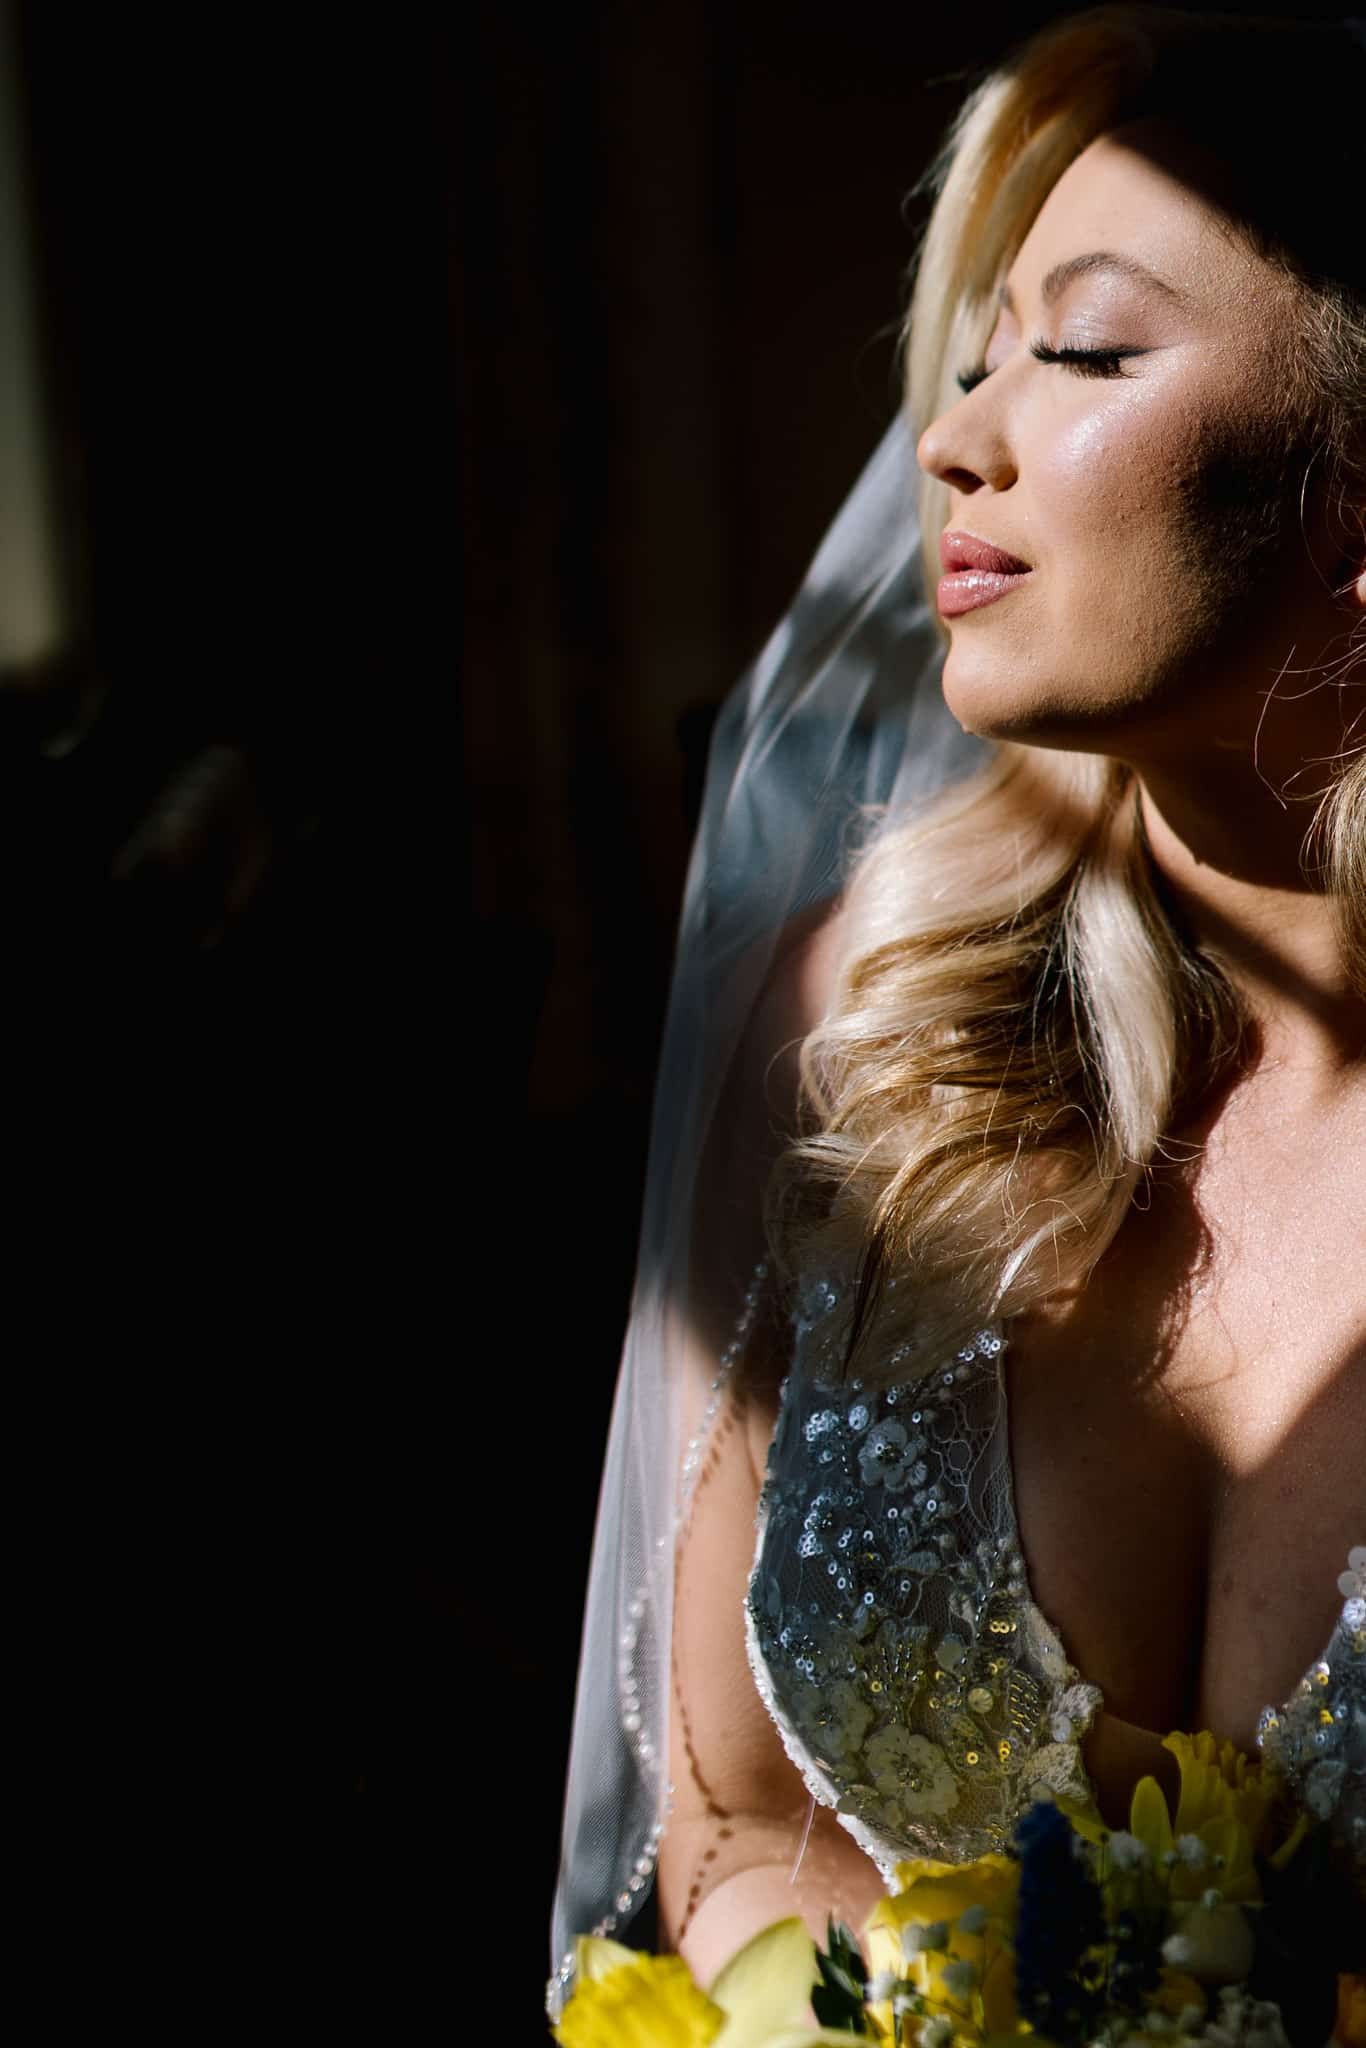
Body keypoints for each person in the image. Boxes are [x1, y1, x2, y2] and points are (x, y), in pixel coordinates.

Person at [547, 4, 1366, 2020]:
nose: (949, 439)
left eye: (1077, 352)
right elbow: (733, 1823)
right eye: (979, 352)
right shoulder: (862, 1031)